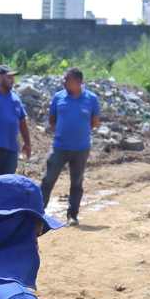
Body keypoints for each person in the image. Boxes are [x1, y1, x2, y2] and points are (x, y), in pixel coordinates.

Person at [42, 67, 102, 225]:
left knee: (76, 182)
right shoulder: (58, 97)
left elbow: (95, 122)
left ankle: (72, 215)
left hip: (81, 148)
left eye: (67, 79)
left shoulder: (91, 99)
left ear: (78, 82)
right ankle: (39, 213)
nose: (64, 82)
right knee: (48, 180)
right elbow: (52, 120)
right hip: (59, 147)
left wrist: (79, 132)